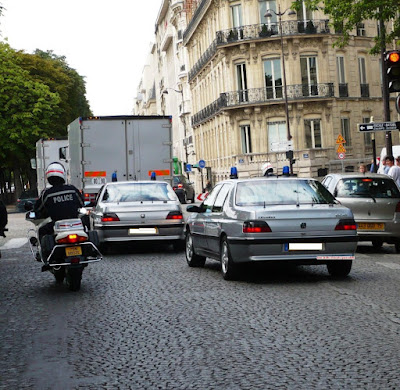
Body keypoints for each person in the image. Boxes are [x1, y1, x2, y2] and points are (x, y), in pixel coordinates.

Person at [34, 162, 84, 261]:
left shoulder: (47, 194)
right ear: (63, 175)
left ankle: (44, 256)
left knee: (41, 230)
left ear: (48, 178)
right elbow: (81, 203)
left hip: (57, 225)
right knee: (85, 224)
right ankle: (89, 248)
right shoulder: (72, 189)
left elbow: (38, 209)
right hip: (75, 224)